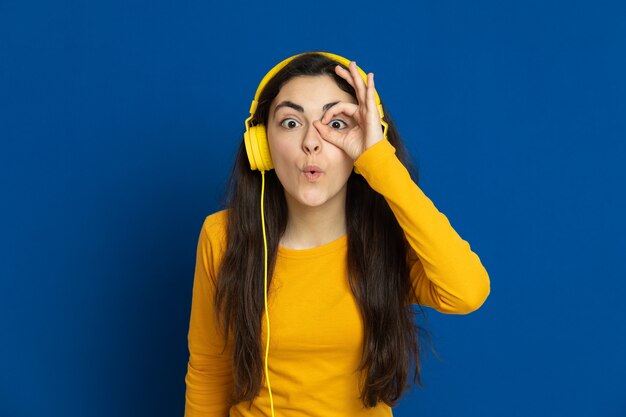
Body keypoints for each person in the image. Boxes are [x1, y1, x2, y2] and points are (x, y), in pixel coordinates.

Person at [184, 51, 491, 417]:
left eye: (337, 124)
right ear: (262, 145)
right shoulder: (222, 236)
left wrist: (379, 161)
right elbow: (209, 372)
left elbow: (467, 292)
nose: (311, 143)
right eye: (291, 123)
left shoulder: (389, 243)